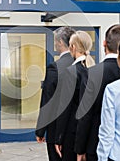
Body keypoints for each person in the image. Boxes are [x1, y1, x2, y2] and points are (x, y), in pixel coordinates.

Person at [74, 24, 120, 161]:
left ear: (104, 43)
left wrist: (80, 148)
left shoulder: (92, 73)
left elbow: (85, 114)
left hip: (96, 143)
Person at [35, 26, 75, 161]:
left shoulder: (54, 67)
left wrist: (40, 130)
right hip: (76, 129)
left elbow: (47, 100)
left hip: (56, 128)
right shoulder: (83, 65)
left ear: (60, 43)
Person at [54, 31, 95, 161]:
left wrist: (58, 138)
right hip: (90, 133)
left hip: (71, 133)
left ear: (73, 48)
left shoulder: (71, 72)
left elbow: (64, 109)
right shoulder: (94, 70)